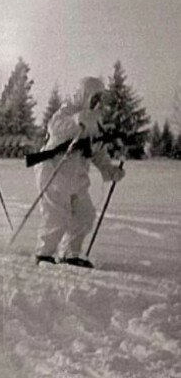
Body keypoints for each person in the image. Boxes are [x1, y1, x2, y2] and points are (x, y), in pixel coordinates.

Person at [34, 76, 125, 268]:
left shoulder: (95, 120)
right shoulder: (68, 110)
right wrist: (77, 121)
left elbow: (97, 150)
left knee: (85, 214)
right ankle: (44, 253)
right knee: (56, 214)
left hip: (77, 174)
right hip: (54, 170)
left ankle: (71, 253)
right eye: (94, 96)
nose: (97, 101)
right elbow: (55, 127)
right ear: (85, 94)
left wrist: (109, 170)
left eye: (100, 97)